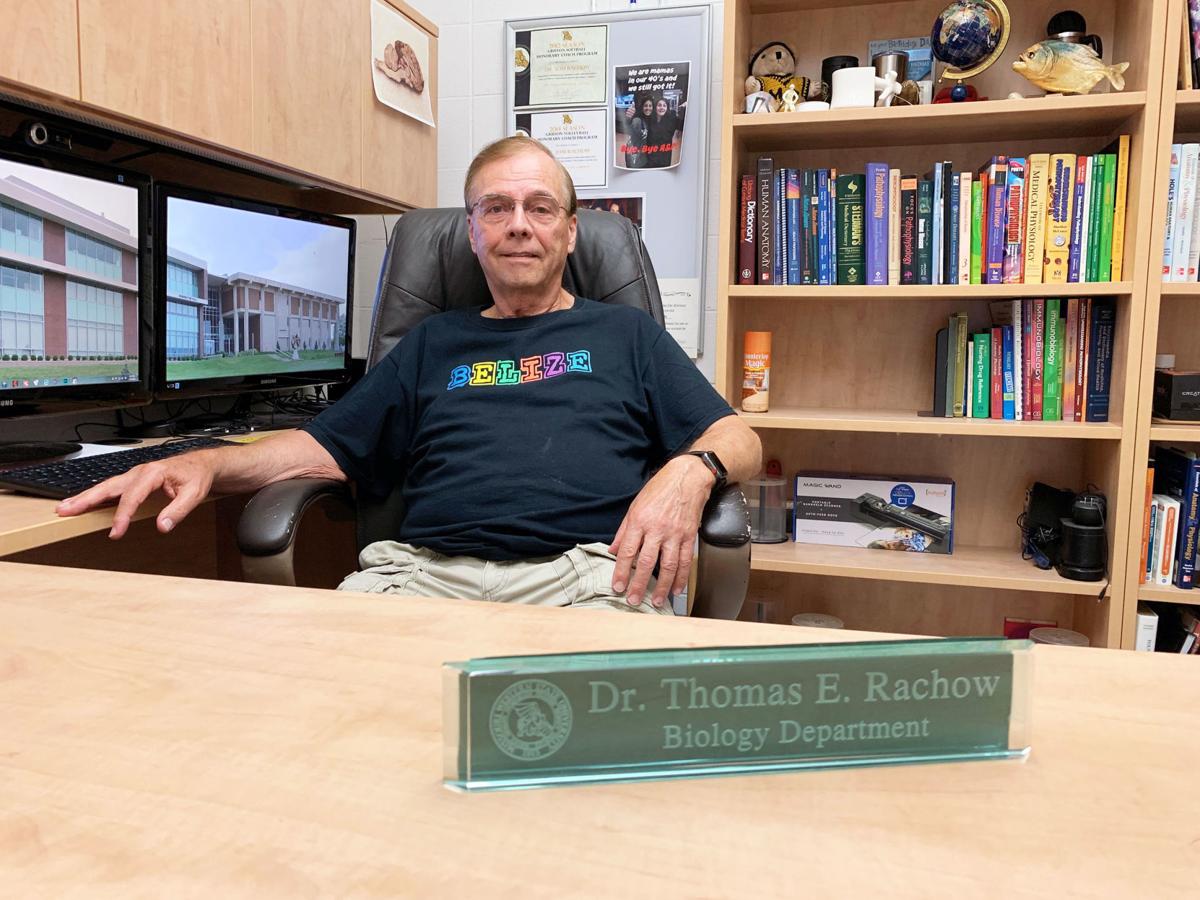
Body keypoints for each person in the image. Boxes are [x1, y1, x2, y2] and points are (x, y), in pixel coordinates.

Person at [56, 136, 761, 614]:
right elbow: (324, 449)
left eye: (541, 208)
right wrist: (207, 464)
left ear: (571, 231)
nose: (520, 225)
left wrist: (691, 469)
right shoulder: (433, 342)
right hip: (423, 577)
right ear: (473, 230)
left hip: (585, 579)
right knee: (329, 725)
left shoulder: (624, 333)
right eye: (497, 208)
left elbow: (741, 440)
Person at [647, 97, 685, 168]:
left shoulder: (672, 120)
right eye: (659, 105)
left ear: (667, 108)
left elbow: (684, 125)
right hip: (649, 158)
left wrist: (685, 109)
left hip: (664, 159)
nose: (662, 107)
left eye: (664, 105)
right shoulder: (649, 119)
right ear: (655, 107)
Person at [618, 96, 653, 168]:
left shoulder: (649, 120)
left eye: (650, 106)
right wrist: (628, 119)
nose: (648, 108)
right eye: (645, 106)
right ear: (642, 107)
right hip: (634, 156)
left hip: (643, 157)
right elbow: (628, 129)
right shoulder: (637, 120)